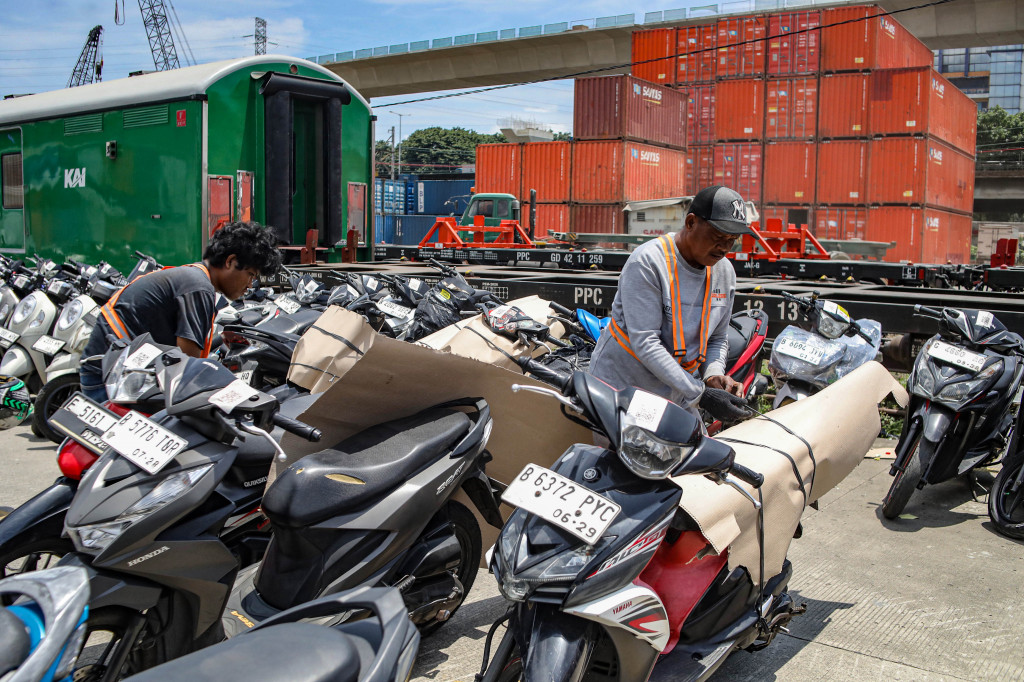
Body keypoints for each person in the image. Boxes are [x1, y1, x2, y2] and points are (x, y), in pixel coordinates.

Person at [589, 185, 753, 423]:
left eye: (732, 240)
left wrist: (713, 375)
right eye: (718, 237)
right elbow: (646, 342)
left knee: (699, 456)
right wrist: (701, 394)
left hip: (678, 393)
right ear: (690, 223)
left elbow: (717, 338)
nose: (725, 248)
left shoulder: (724, 272)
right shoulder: (648, 263)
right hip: (622, 392)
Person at [79, 222, 282, 403]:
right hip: (109, 380)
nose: (250, 285)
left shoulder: (193, 276)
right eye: (250, 275)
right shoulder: (198, 287)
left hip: (110, 371)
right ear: (230, 262)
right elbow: (186, 368)